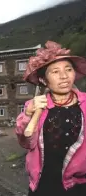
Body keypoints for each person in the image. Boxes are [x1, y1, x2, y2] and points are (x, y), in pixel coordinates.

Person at [15, 41, 86, 196]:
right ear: (44, 80)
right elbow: (26, 142)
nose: (64, 76)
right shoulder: (34, 106)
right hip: (43, 185)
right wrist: (29, 114)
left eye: (68, 69)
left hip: (79, 186)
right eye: (55, 72)